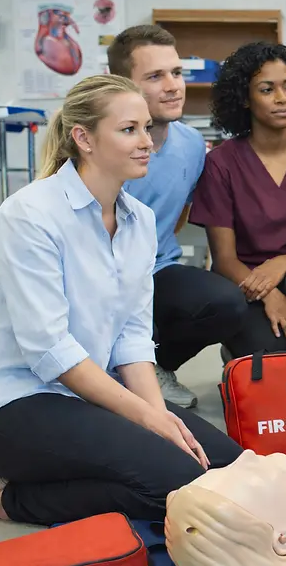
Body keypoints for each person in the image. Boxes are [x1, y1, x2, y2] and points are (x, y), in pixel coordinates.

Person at [0, 74, 243, 526]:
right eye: (129, 130)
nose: (147, 141)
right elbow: (51, 352)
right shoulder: (29, 215)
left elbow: (131, 336)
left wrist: (158, 415)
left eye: (147, 128)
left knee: (228, 469)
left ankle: (81, 466)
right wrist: (147, 422)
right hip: (11, 403)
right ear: (83, 138)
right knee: (177, 484)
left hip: (86, 395)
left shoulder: (139, 220)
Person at [108, 25, 248, 409]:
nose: (173, 86)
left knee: (227, 304)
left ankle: (159, 367)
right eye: (155, 77)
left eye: (177, 73)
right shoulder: (103, 145)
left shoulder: (190, 145)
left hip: (156, 268)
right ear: (121, 83)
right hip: (101, 273)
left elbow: (179, 213)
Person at [188, 42, 286, 356]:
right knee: (273, 360)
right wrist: (271, 295)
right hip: (246, 284)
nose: (282, 98)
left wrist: (282, 263)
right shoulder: (221, 163)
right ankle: (239, 347)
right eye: (266, 89)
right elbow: (224, 260)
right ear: (245, 99)